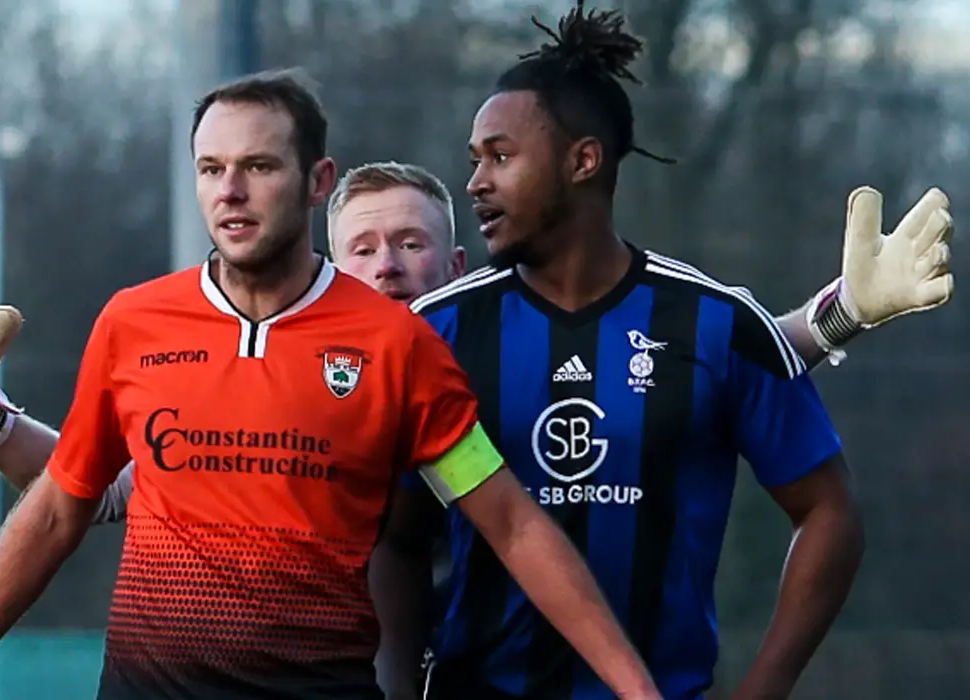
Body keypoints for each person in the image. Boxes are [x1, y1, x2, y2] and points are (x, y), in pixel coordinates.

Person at [0, 136, 954, 698]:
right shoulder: (282, 398)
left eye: (410, 245)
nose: (388, 265)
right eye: (363, 248)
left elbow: (686, 363)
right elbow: (108, 492)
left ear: (455, 270)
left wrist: (835, 316)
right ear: (326, 265)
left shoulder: (474, 356)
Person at [0, 69, 667, 700]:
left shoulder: (398, 347)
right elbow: (61, 508)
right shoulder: (134, 322)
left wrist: (638, 692)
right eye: (211, 169)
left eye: (259, 166)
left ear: (318, 179)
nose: (230, 191)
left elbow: (511, 525)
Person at [398, 3, 952, 700]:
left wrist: (762, 690)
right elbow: (394, 536)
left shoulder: (713, 321)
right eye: (474, 160)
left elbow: (828, 513)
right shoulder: (438, 331)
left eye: (501, 157)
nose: (476, 181)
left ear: (583, 160)